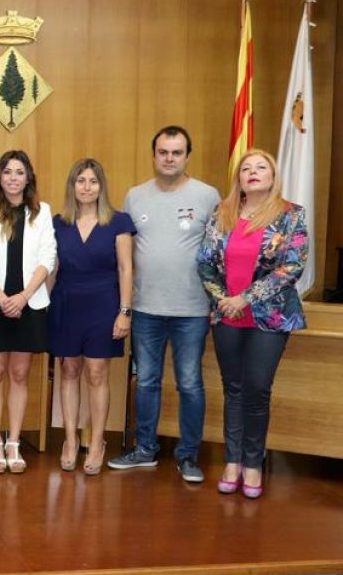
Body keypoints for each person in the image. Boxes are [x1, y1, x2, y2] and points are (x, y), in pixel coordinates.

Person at [109, 126, 220, 484]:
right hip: (146, 309)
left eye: (176, 152)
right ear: (153, 154)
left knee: (189, 383)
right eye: (163, 152)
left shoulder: (207, 196)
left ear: (188, 155)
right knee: (147, 382)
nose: (169, 158)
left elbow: (220, 254)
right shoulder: (135, 196)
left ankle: (188, 455)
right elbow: (123, 254)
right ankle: (145, 449)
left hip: (192, 310)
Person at [197, 148, 308, 499]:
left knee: (257, 389)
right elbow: (204, 264)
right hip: (226, 315)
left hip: (270, 317)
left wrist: (245, 298)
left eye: (262, 167)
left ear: (273, 177)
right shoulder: (221, 214)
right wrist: (223, 300)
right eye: (247, 168)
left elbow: (291, 267)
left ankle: (253, 464)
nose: (254, 172)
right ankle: (232, 461)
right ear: (239, 178)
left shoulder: (291, 215)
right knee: (233, 388)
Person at [47, 159, 134, 476]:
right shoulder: (58, 222)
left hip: (104, 303)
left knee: (97, 373)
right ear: (72, 186)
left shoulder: (119, 221)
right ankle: (69, 440)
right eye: (80, 181)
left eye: (93, 181)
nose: (86, 187)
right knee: (68, 370)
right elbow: (51, 270)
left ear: (102, 186)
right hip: (66, 302)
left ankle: (96, 442)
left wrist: (125, 311)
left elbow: (126, 268)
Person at [0, 150, 55, 475]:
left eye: (19, 172)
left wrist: (22, 296)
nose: (13, 178)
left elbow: (47, 257)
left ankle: (14, 442)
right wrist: (3, 296)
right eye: (7, 172)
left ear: (28, 178)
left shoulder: (42, 212)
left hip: (29, 304)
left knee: (20, 375)